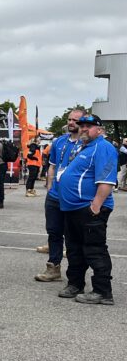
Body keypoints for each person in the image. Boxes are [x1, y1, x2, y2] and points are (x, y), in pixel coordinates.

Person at [57, 115, 117, 305]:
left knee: (94, 250)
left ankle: (102, 291)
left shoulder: (103, 147)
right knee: (74, 249)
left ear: (100, 130)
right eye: (81, 125)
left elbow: (107, 180)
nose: (83, 128)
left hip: (89, 209)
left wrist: (96, 206)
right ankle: (75, 284)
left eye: (89, 126)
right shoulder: (84, 147)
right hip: (73, 209)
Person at [34, 109, 83, 282]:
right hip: (55, 195)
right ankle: (53, 267)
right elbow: (52, 166)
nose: (71, 123)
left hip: (75, 197)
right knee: (54, 232)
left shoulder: (86, 143)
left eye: (75, 120)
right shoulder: (59, 141)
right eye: (69, 119)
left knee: (73, 234)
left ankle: (76, 274)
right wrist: (49, 187)